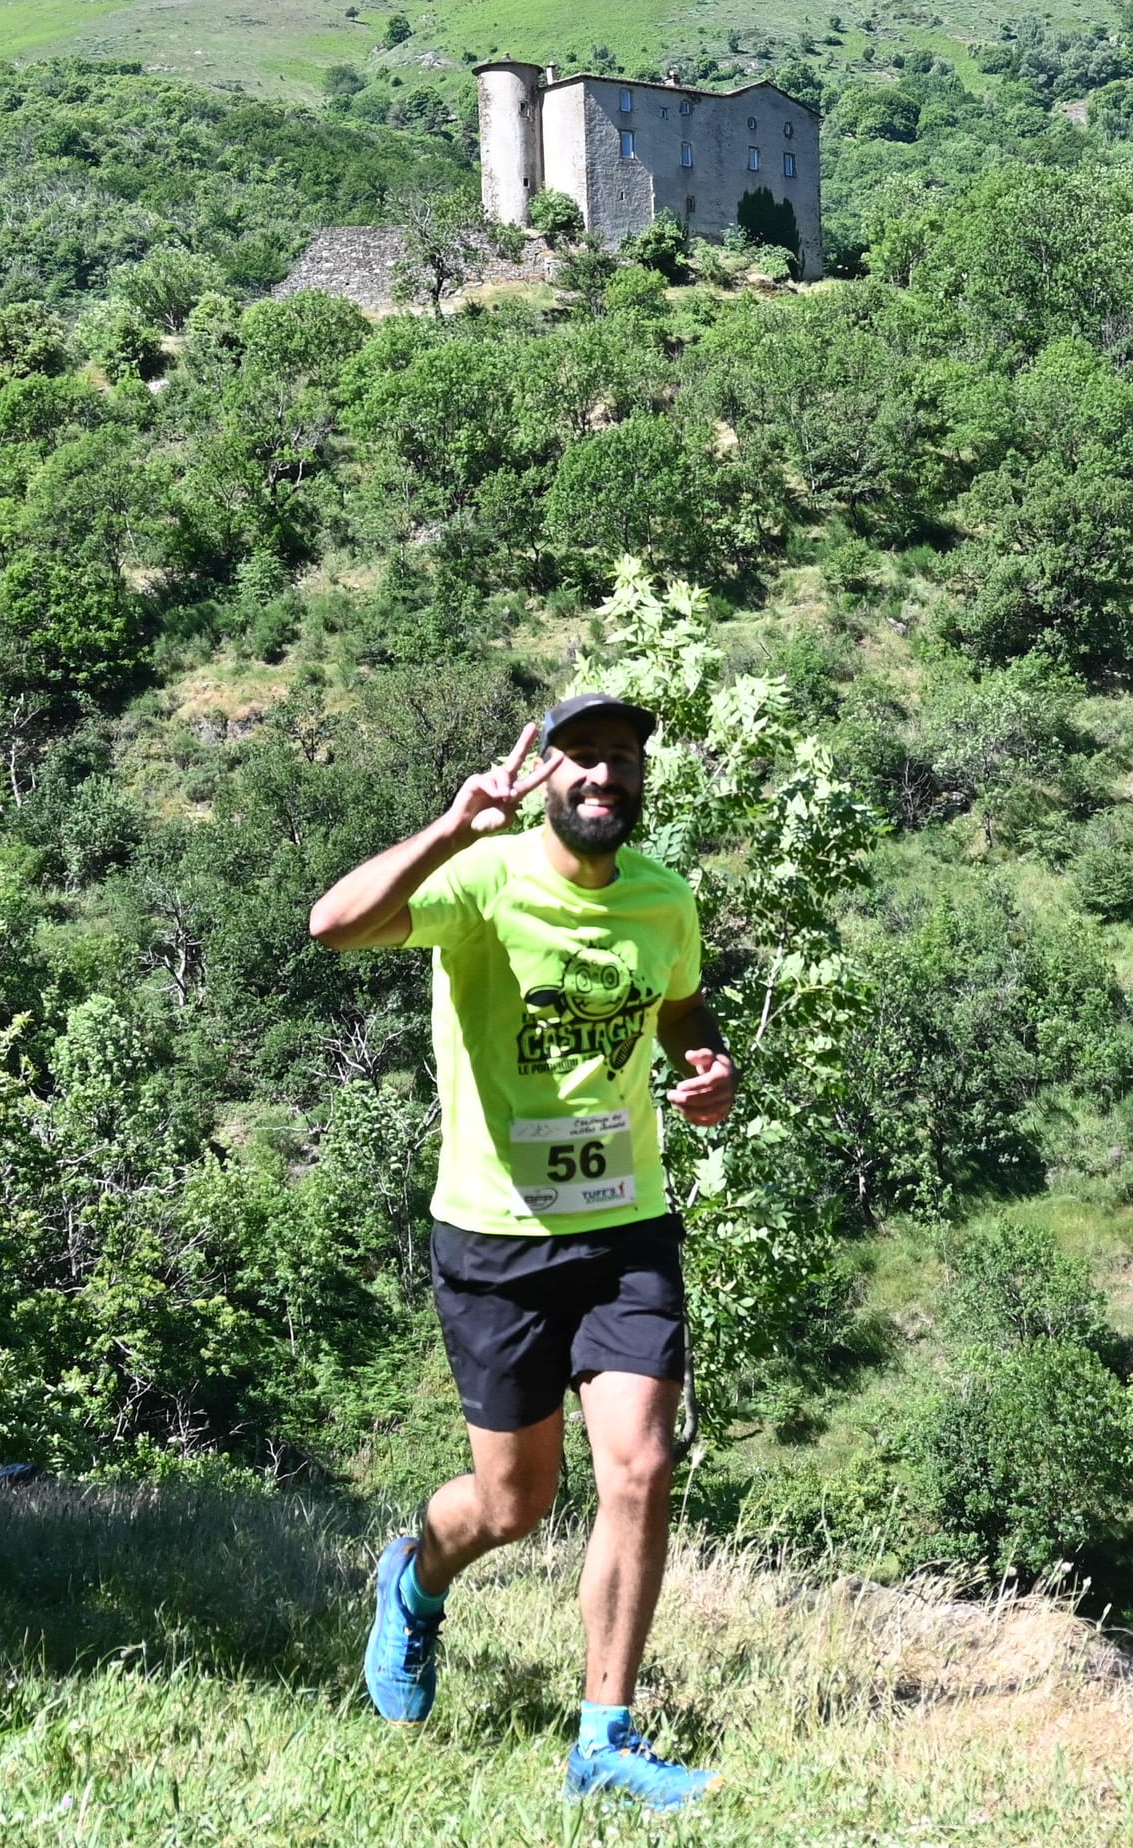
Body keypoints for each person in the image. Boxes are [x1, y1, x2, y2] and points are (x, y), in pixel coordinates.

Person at [308, 692, 737, 1810]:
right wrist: (453, 827)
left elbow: (680, 1009)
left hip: (625, 1226)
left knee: (639, 1468)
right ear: (545, 774)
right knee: (514, 1503)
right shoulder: (484, 880)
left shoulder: (663, 897)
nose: (602, 775)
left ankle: (604, 1733)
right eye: (581, 757)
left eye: (620, 760)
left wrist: (708, 1066)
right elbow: (333, 924)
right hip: (496, 1236)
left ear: (640, 780)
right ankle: (416, 1578)